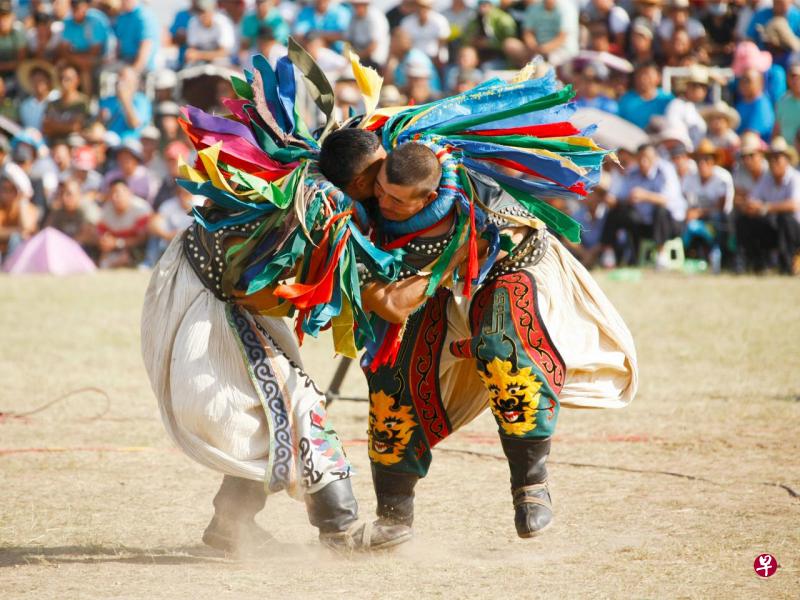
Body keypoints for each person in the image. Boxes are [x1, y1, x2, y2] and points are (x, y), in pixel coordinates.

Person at [317, 132, 637, 541]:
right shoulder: (374, 174)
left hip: (510, 267)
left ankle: (530, 486)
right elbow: (392, 305)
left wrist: (446, 261)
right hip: (438, 283)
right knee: (391, 372)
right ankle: (393, 516)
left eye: (397, 200)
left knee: (502, 347)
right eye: (378, 190)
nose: (383, 203)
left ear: (429, 198)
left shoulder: (458, 208)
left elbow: (404, 296)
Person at [600, 142, 686, 266]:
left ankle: (661, 255)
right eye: (640, 158)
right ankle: (608, 254)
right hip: (644, 223)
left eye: (647, 158)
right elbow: (622, 196)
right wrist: (615, 200)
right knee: (617, 212)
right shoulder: (632, 172)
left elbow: (668, 200)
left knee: (660, 210)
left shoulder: (666, 170)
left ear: (655, 158)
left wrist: (646, 196)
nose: (644, 162)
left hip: (671, 223)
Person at [738, 137, 800, 273]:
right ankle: (758, 263)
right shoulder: (767, 179)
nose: (773, 162)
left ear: (787, 160)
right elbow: (752, 199)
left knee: (785, 219)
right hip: (776, 228)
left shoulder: (795, 178)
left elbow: (794, 205)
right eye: (771, 158)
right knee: (747, 220)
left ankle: (788, 264)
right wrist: (750, 207)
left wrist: (765, 207)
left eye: (777, 158)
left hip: (795, 230)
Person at [682, 139, 735, 267]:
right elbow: (687, 202)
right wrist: (690, 213)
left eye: (706, 160)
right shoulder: (690, 178)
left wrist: (699, 213)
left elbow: (720, 208)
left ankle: (719, 255)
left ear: (714, 161)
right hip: (698, 218)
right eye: (699, 160)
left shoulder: (723, 177)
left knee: (716, 219)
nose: (702, 164)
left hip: (720, 220)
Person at [58, 0, 112, 95]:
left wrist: (76, 58)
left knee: (85, 69)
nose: (77, 11)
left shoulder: (95, 20)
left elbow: (95, 51)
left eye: (80, 7)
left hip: (102, 57)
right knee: (61, 66)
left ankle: (87, 101)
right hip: (78, 56)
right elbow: (63, 49)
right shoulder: (68, 22)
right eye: (74, 8)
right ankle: (64, 101)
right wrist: (76, 59)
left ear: (86, 7)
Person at [41, 64, 92, 145]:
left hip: (76, 146)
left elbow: (77, 126)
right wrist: (67, 126)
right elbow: (46, 128)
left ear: (77, 80)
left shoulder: (84, 102)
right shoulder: (52, 103)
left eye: (68, 79)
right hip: (54, 146)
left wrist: (55, 126)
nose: (63, 82)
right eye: (61, 78)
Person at [99, 66, 153, 140]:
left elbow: (135, 125)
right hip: (109, 143)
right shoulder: (106, 100)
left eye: (125, 80)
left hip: (131, 143)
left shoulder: (142, 100)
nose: (120, 82)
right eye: (119, 78)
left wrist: (125, 100)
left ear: (135, 83)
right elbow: (99, 126)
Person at [618, 61, 674, 130]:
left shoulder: (667, 99)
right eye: (640, 74)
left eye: (647, 74)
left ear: (658, 78)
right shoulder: (625, 100)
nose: (643, 79)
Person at [101, 139, 159, 205]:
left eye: (127, 156)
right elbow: (103, 198)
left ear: (137, 158)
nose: (123, 159)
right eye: (121, 156)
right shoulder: (111, 176)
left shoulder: (148, 177)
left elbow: (152, 203)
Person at [0, 166, 38, 261]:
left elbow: (27, 228)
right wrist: (17, 231)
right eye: (3, 189)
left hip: (20, 257)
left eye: (10, 190)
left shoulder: (28, 208)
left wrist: (22, 200)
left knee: (15, 239)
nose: (5, 193)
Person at [112, 0, 160, 73]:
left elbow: (146, 46)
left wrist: (134, 71)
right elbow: (118, 44)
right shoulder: (122, 16)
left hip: (142, 66)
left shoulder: (143, 16)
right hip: (124, 60)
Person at [185, 0, 237, 66]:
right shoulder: (193, 22)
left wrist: (199, 55)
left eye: (204, 11)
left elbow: (225, 52)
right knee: (189, 65)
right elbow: (192, 49)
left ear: (212, 11)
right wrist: (191, 55)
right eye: (199, 12)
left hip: (222, 62)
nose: (201, 15)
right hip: (200, 62)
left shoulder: (223, 22)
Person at [346, 0, 390, 69]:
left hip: (375, 61)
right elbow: (348, 39)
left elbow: (373, 47)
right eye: (355, 5)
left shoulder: (376, 17)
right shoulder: (353, 16)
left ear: (366, 4)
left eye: (359, 5)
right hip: (360, 57)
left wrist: (353, 58)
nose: (356, 8)